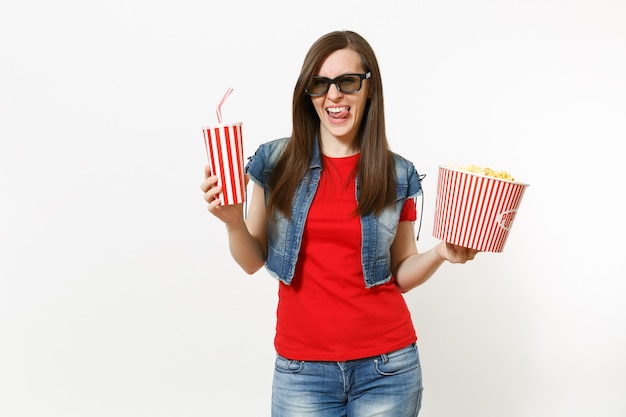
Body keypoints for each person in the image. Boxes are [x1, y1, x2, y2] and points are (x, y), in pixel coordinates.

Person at [201, 30, 478, 417]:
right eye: (320, 84)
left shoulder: (396, 173)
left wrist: (441, 253)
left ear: (368, 89)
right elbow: (251, 261)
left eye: (347, 81)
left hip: (387, 368)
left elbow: (400, 273)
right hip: (301, 372)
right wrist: (232, 222)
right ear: (308, 93)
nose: (334, 95)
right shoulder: (274, 163)